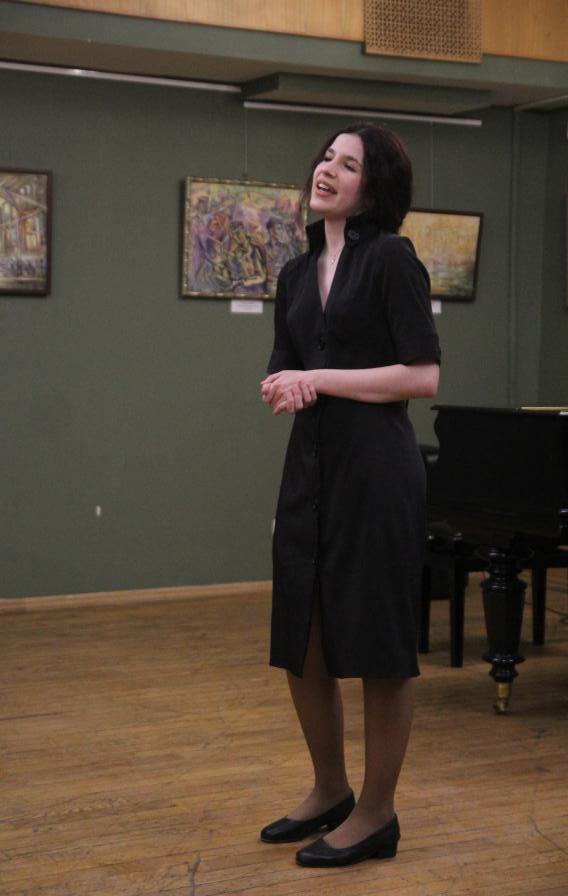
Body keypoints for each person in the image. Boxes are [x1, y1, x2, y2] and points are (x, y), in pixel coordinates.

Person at [259, 122, 441, 869]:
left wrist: (319, 379)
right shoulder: (296, 274)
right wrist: (283, 385)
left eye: (349, 164)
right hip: (310, 469)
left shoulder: (393, 259)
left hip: (377, 472)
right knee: (302, 639)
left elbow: (422, 375)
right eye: (326, 156)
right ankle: (330, 789)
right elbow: (286, 364)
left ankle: (377, 813)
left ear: (374, 188)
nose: (327, 169)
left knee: (379, 646)